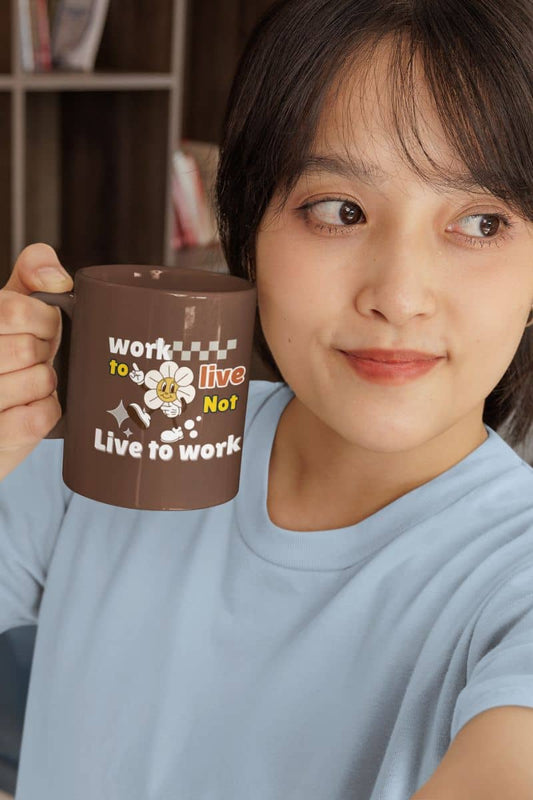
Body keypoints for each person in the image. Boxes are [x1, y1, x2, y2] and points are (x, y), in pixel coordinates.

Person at [1, 0, 533, 797]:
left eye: (482, 223)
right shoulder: (145, 443)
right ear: (244, 233)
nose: (399, 295)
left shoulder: (513, 576)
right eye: (338, 210)